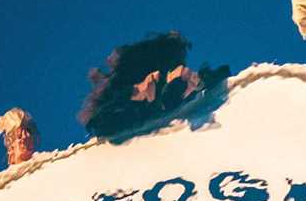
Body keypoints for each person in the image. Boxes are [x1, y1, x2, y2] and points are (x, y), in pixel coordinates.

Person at [78, 31, 228, 139]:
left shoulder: (175, 76)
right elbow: (100, 123)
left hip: (147, 103)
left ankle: (169, 94)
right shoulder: (126, 95)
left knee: (179, 82)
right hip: (130, 106)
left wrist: (205, 80)